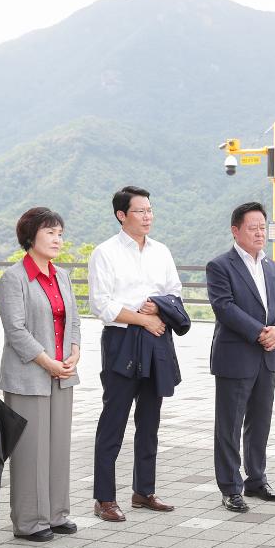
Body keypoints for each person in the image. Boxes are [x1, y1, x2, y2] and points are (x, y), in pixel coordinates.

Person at [88, 186, 182, 522]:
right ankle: (104, 498)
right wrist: (143, 318)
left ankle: (144, 491)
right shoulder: (106, 252)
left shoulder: (161, 251)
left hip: (156, 341)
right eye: (140, 211)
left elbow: (174, 290)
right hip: (122, 340)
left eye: (150, 210)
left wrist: (158, 306)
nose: (147, 216)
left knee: (150, 420)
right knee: (113, 420)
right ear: (121, 215)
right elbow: (101, 304)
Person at [0, 207, 81, 542]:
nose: (57, 239)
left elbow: (73, 319)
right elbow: (15, 330)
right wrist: (47, 361)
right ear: (30, 236)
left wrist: (74, 352)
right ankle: (30, 521)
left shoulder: (62, 276)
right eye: (50, 232)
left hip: (63, 373)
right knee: (30, 450)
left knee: (58, 447)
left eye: (60, 233)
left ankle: (57, 513)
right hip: (28, 375)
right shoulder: (14, 278)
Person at [205, 202, 275, 513]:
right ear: (235, 230)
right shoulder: (220, 266)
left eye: (262, 227)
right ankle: (230, 487)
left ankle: (256, 479)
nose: (259, 232)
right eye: (253, 227)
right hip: (236, 355)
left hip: (268, 356)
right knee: (229, 424)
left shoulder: (272, 266)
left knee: (260, 421)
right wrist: (260, 332)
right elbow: (224, 307)